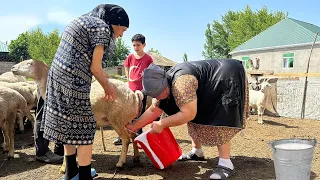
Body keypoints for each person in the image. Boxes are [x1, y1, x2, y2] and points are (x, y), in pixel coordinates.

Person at [41, 4, 129, 180]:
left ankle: (71, 173)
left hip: (57, 77)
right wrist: (108, 87)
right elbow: (95, 68)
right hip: (73, 81)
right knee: (85, 128)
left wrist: (105, 78)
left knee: (69, 126)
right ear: (115, 22)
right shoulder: (103, 28)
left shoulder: (81, 21)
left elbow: (84, 58)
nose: (121, 35)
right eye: (123, 29)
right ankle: (83, 176)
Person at [126, 59, 249, 179]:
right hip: (207, 84)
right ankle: (197, 152)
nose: (157, 97)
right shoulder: (162, 83)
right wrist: (134, 126)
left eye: (158, 94)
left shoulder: (181, 84)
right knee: (195, 115)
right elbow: (154, 109)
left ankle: (225, 163)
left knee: (219, 117)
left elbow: (188, 114)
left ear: (166, 88)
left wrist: (162, 123)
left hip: (225, 77)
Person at [113, 34, 153, 145]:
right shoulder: (130, 57)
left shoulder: (148, 58)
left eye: (138, 45)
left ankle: (138, 135)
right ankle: (122, 135)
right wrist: (128, 79)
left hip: (142, 90)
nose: (136, 47)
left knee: (140, 113)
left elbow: (150, 72)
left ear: (144, 45)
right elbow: (126, 66)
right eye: (134, 45)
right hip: (130, 90)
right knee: (125, 112)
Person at [34, 89, 64, 164]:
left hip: (57, 80)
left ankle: (60, 146)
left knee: (60, 111)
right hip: (47, 80)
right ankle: (42, 151)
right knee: (44, 112)